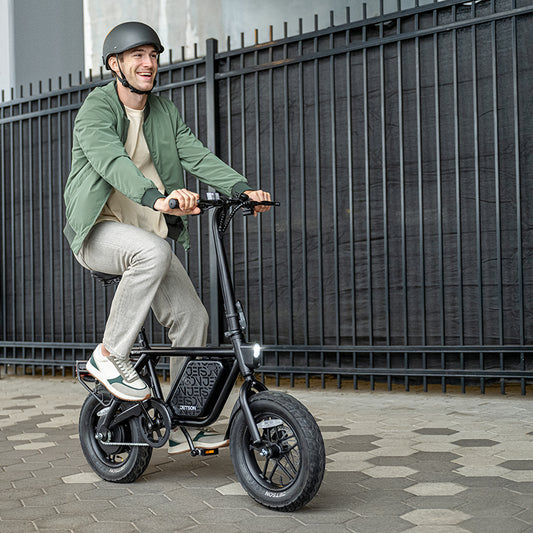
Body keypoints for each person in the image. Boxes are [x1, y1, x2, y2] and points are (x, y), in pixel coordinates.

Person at [63, 21, 271, 454]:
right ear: (115, 64)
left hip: (145, 240)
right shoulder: (96, 109)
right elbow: (111, 162)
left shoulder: (163, 111)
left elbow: (195, 153)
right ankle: (110, 356)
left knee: (193, 319)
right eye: (137, 55)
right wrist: (157, 199)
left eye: (153, 55)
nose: (148, 63)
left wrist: (241, 189)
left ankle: (182, 419)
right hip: (98, 232)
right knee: (153, 251)